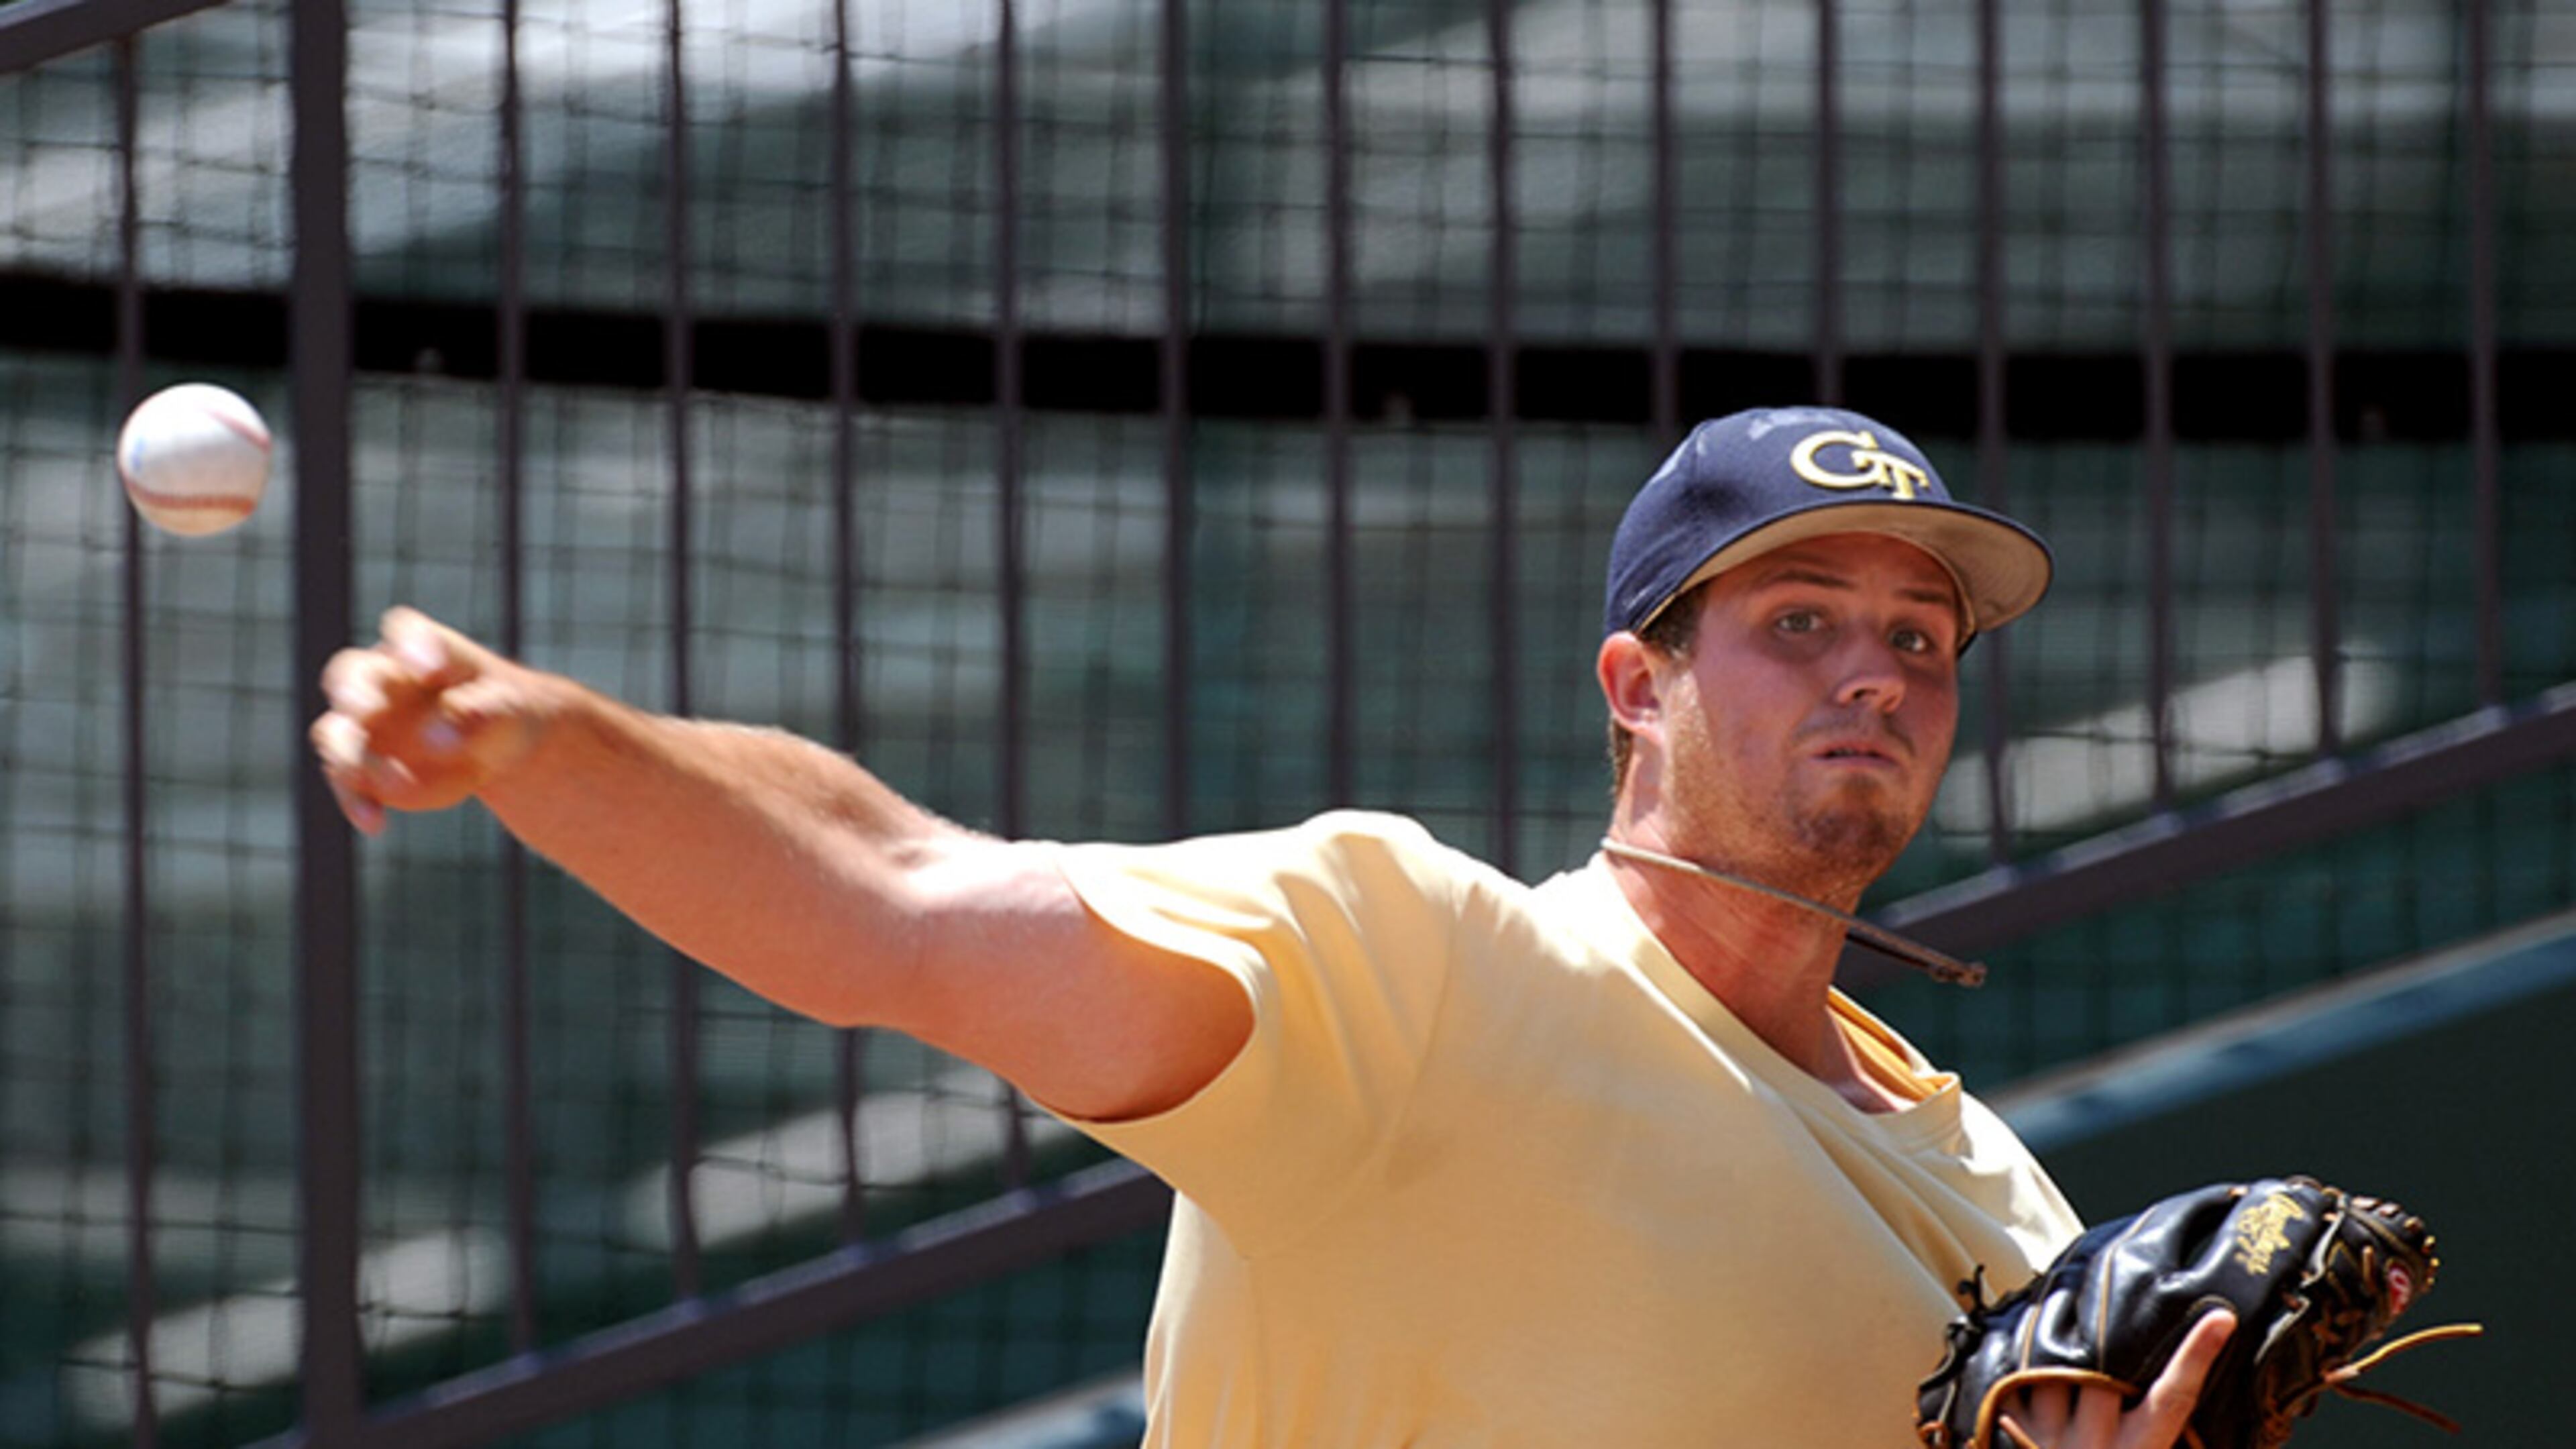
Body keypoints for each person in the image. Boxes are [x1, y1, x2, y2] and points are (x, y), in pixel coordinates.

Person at [310, 406, 2232, 1448]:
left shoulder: (2002, 1194)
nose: (1876, 672)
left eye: (1920, 637)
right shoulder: (1416, 978)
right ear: (1636, 688)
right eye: (1798, 619)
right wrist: (553, 744)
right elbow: (897, 903)